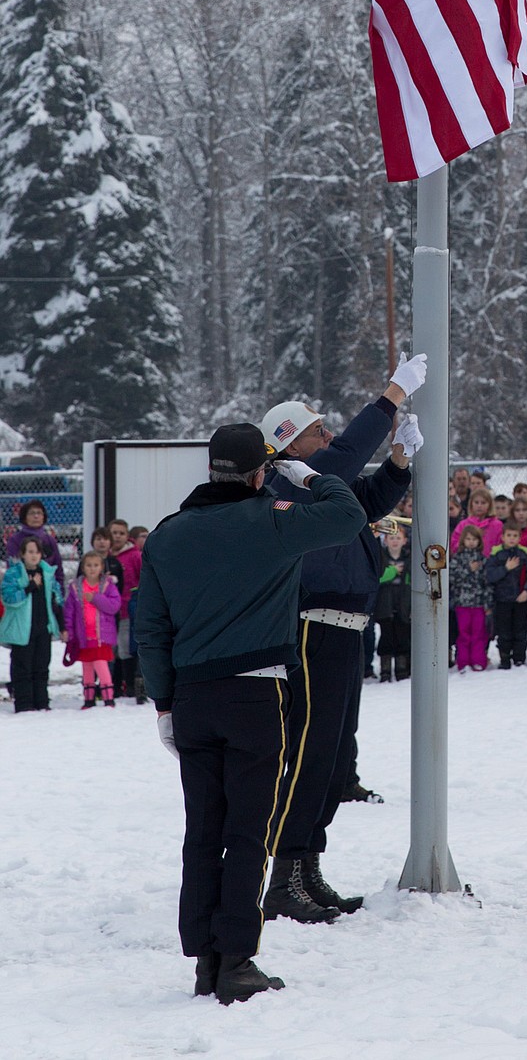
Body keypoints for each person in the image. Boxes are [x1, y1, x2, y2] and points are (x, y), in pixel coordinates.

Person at [134, 421, 367, 1003]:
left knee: (202, 831)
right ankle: (236, 961)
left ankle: (204, 960)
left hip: (191, 697)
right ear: (261, 471)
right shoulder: (271, 521)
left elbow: (151, 631)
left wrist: (164, 703)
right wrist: (311, 473)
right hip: (256, 694)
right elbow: (349, 516)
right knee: (247, 832)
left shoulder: (166, 535)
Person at [261, 353, 426, 924]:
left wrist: (400, 460)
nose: (327, 435)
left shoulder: (322, 486)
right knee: (308, 756)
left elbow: (370, 499)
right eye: (316, 430)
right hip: (312, 629)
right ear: (290, 443)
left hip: (347, 629)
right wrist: (390, 399)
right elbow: (349, 453)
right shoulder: (286, 484)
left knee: (332, 761)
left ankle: (307, 867)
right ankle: (283, 875)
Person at [1, 538, 64, 710]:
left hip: (43, 627)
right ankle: (24, 703)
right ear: (23, 554)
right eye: (30, 552)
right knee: (23, 667)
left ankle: (42, 702)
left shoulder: (48, 573)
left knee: (41, 666)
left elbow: (57, 600)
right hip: (22, 630)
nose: (34, 556)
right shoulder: (14, 573)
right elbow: (9, 598)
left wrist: (62, 626)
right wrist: (30, 586)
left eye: (37, 552)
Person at [63, 548, 121, 708]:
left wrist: (96, 598)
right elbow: (69, 611)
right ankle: (88, 698)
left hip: (101, 636)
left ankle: (108, 697)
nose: (92, 568)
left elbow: (114, 606)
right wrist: (68, 630)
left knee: (101, 664)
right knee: (87, 666)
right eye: (89, 565)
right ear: (83, 567)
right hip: (83, 636)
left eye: (96, 565)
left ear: (102, 567)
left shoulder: (107, 586)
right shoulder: (75, 587)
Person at [485, 521, 527, 669]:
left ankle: (519, 658)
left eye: (515, 536)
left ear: (520, 538)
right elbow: (490, 575)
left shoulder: (524, 553)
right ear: (503, 537)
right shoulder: (496, 554)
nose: (512, 539)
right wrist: (505, 568)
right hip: (502, 599)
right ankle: (505, 658)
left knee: (520, 630)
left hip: (521, 598)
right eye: (509, 535)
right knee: (504, 631)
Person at [105, 518, 142, 698]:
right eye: (114, 533)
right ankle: (113, 684)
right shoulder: (105, 557)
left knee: (125, 647)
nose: (117, 537)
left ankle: (130, 685)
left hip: (127, 609)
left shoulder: (134, 555)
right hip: (108, 611)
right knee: (112, 648)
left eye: (121, 533)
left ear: (127, 536)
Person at [449, 524, 491, 670]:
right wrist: (468, 570)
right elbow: (451, 577)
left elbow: (487, 582)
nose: (471, 542)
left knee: (479, 633)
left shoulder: (483, 559)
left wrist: (488, 603)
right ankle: (463, 662)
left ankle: (478, 660)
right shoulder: (458, 558)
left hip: (479, 603)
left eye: (474, 539)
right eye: (468, 539)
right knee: (464, 634)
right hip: (462, 603)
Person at [373, 526, 411, 683]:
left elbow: (410, 581)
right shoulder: (382, 557)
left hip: (403, 603)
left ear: (404, 541)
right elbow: (378, 578)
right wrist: (393, 571)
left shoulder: (409, 558)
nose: (395, 541)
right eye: (391, 538)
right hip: (385, 604)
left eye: (398, 538)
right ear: (386, 540)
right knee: (386, 636)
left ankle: (402, 667)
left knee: (402, 635)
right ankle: (385, 668)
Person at [4, 498, 63, 572]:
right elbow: (13, 567)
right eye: (32, 513)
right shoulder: (15, 540)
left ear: (43, 517)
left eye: (39, 513)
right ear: (25, 517)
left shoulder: (49, 540)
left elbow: (58, 567)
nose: (36, 516)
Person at [452, 486, 503, 556]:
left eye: (483, 503)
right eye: (476, 502)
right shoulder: (463, 524)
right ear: (471, 504)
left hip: (491, 564)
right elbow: (454, 544)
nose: (479, 506)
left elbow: (502, 546)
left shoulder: (497, 525)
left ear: (490, 505)